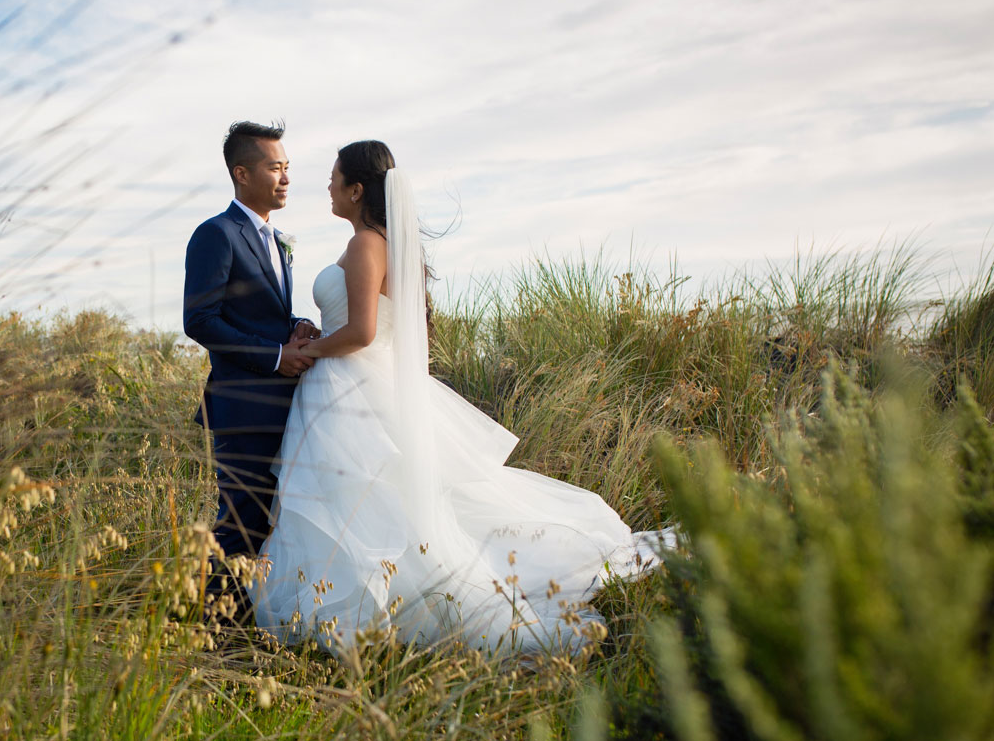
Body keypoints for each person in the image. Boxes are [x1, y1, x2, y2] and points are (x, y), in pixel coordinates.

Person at [253, 140, 668, 655]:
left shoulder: (365, 245)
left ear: (357, 190)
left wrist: (311, 349)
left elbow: (360, 332)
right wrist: (317, 331)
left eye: (335, 179)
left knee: (358, 506)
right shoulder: (382, 242)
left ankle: (365, 617)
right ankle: (374, 613)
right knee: (384, 505)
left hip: (348, 388)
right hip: (359, 383)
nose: (329, 187)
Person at [183, 121, 320, 611]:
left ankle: (250, 619)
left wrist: (295, 325)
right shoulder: (216, 234)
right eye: (274, 167)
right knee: (240, 520)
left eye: (287, 168)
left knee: (269, 518)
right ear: (242, 173)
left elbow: (261, 314)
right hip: (242, 405)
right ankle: (217, 633)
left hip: (281, 404)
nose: (284, 178)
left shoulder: (275, 238)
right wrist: (278, 356)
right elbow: (200, 320)